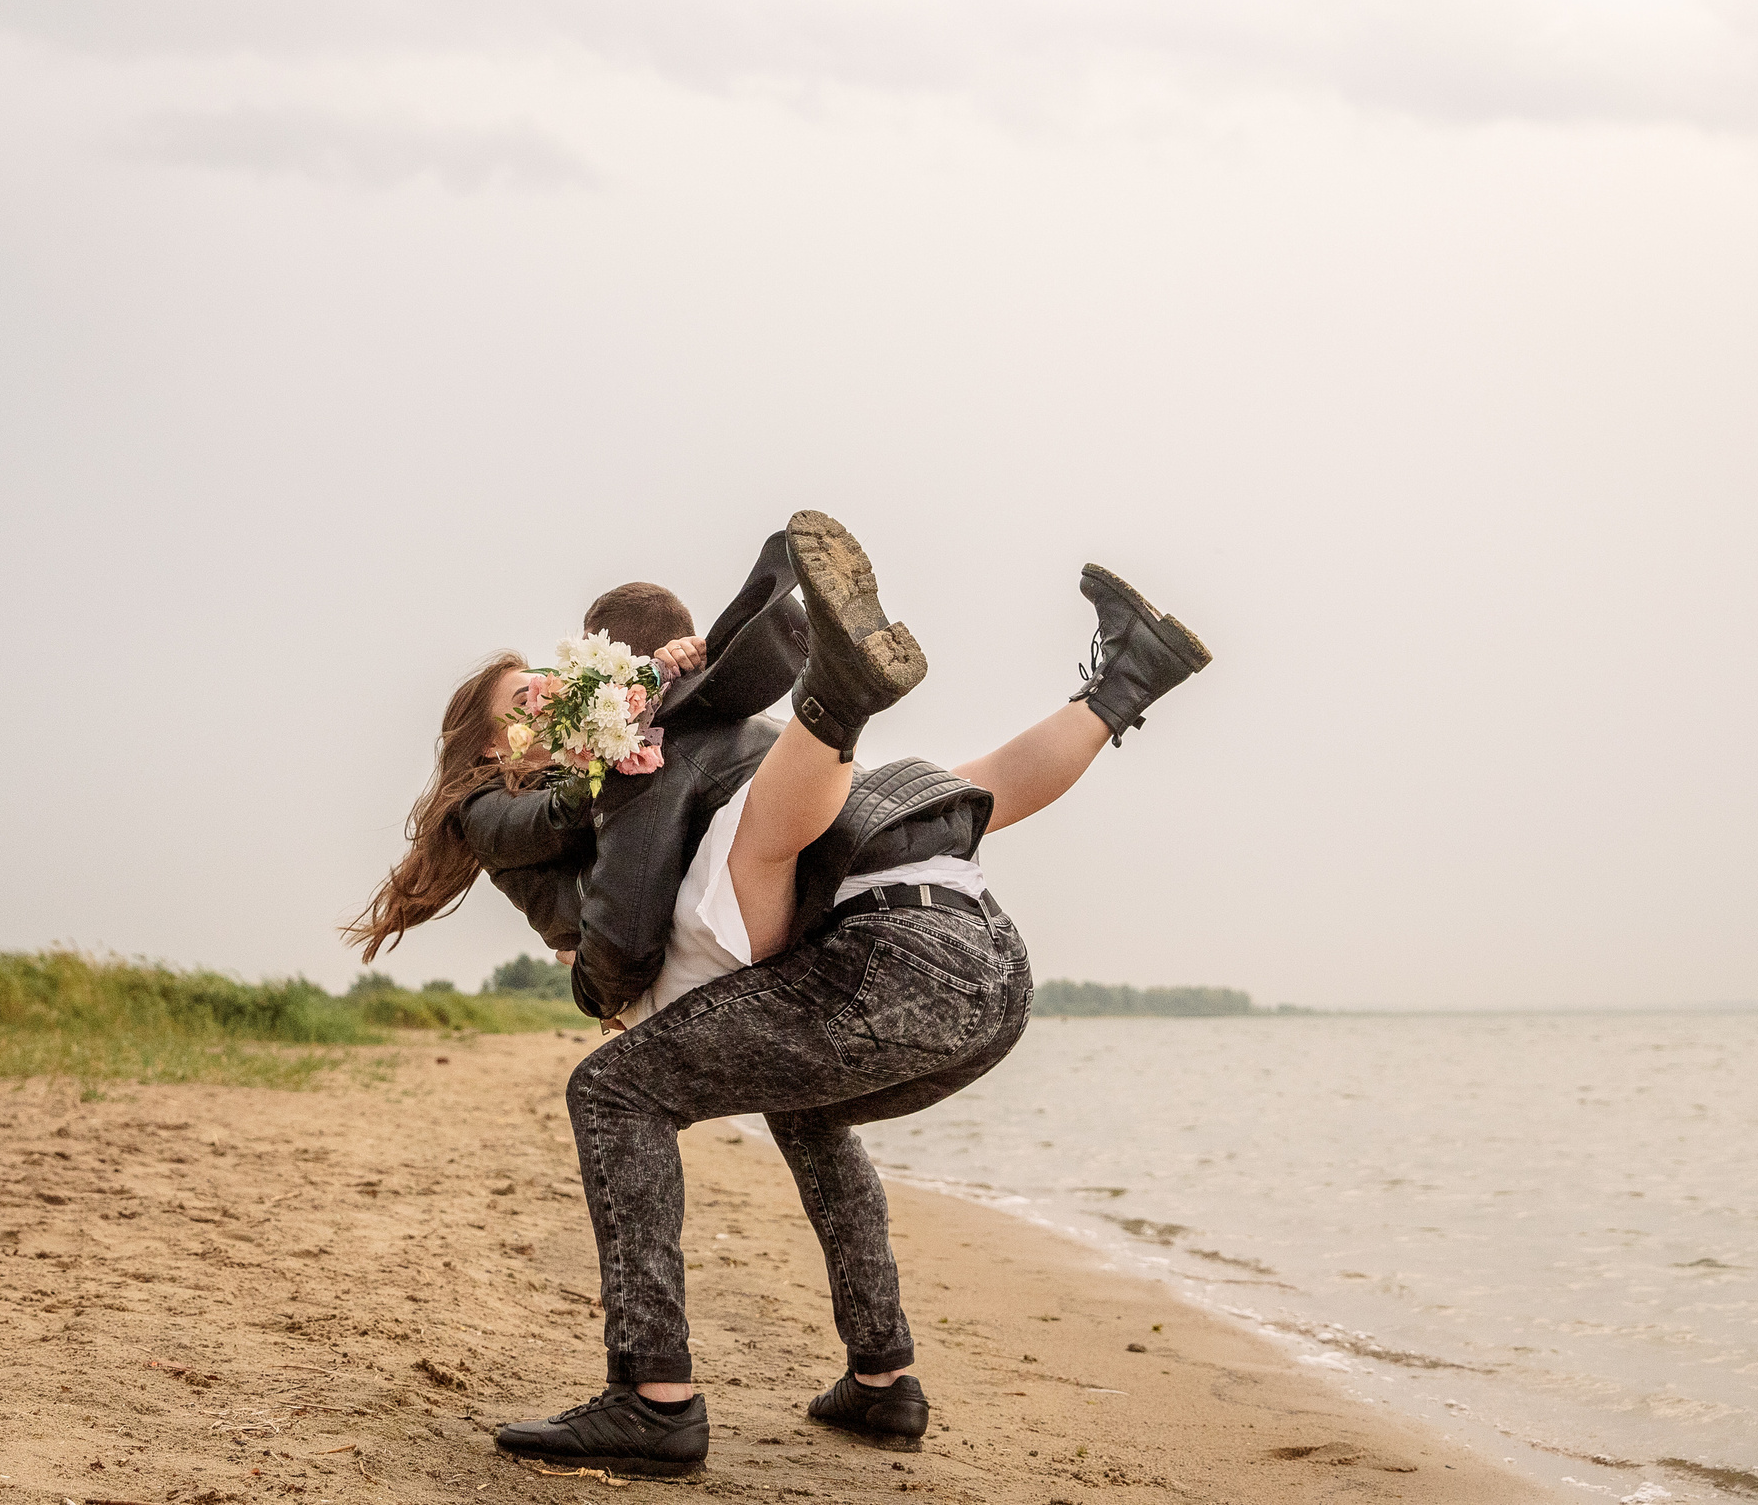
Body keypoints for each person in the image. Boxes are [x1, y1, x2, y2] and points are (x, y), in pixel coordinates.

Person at [348, 514, 1212, 1478]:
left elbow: (628, 906)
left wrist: (648, 711)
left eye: (555, 686)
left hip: (884, 953)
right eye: (528, 699)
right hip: (987, 965)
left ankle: (653, 1399)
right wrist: (653, 702)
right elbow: (561, 837)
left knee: (615, 1087)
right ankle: (883, 1379)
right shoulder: (546, 793)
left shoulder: (640, 756)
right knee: (944, 804)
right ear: (487, 740)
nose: (552, 697)